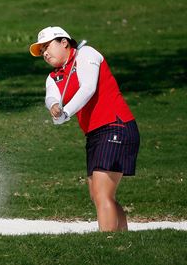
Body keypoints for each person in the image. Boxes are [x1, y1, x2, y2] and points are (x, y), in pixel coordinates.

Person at [29, 26, 140, 231]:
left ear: (64, 43)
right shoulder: (53, 77)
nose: (44, 53)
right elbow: (51, 96)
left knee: (101, 193)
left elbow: (88, 87)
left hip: (115, 124)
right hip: (95, 133)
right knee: (99, 195)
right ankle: (122, 240)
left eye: (47, 46)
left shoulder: (87, 54)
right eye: (41, 50)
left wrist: (66, 112)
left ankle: (107, 244)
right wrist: (54, 107)